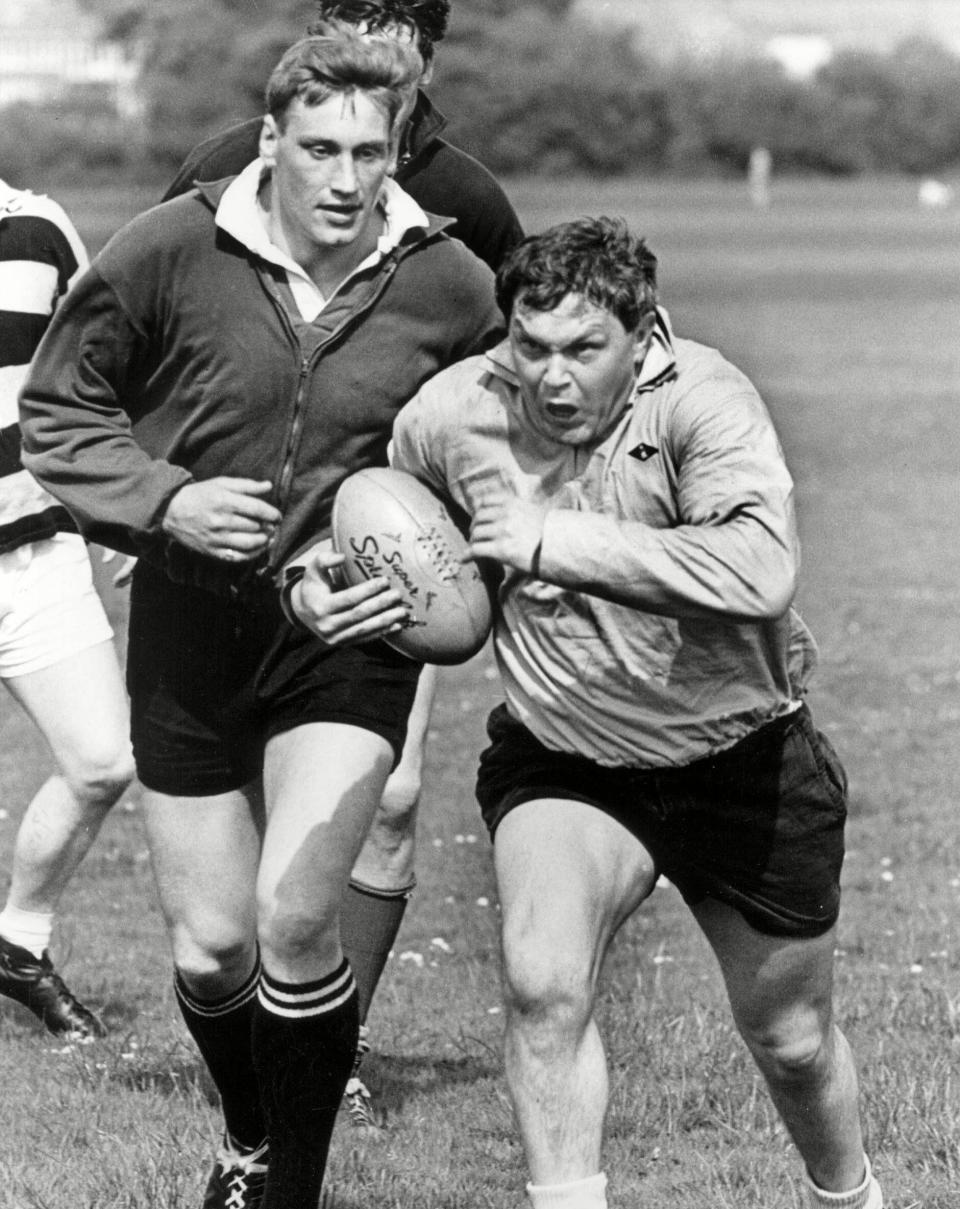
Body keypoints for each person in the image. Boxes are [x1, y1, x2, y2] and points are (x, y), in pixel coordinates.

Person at [21, 34, 501, 1209]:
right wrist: (165, 502)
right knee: (215, 948)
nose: (345, 179)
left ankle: (291, 1192)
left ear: (399, 154)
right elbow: (57, 410)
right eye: (322, 149)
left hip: (347, 635)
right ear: (273, 139)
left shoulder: (448, 283)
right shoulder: (171, 248)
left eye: (370, 154)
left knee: (295, 918)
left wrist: (426, 551)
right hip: (190, 625)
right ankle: (248, 1135)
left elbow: (495, 449)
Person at [384, 217, 883, 1209]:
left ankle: (850, 1194)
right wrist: (339, 592)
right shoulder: (450, 415)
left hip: (739, 750)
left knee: (789, 1041)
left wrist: (552, 540)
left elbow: (761, 568)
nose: (551, 376)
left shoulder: (706, 398)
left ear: (642, 334)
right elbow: (391, 537)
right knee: (542, 983)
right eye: (530, 346)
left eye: (582, 349)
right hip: (564, 753)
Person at [164, 0, 523, 1130]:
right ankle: (272, 1062)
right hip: (227, 570)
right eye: (353, 13)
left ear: (429, 49)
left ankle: (332, 1045)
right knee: (236, 892)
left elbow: (511, 372)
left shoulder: (466, 198)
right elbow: (167, 338)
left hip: (375, 551)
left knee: (397, 798)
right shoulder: (223, 167)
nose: (379, 35)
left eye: (399, 20)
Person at [0, 180, 134, 1042]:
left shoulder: (38, 226)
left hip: (30, 552)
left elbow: (101, 374)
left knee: (103, 759)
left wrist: (122, 512)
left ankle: (18, 943)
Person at [163, 0, 523, 275]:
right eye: (354, 58)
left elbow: (524, 329)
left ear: (427, 68)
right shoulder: (224, 165)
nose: (371, 82)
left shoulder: (468, 197)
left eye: (392, 64)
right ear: (317, 51)